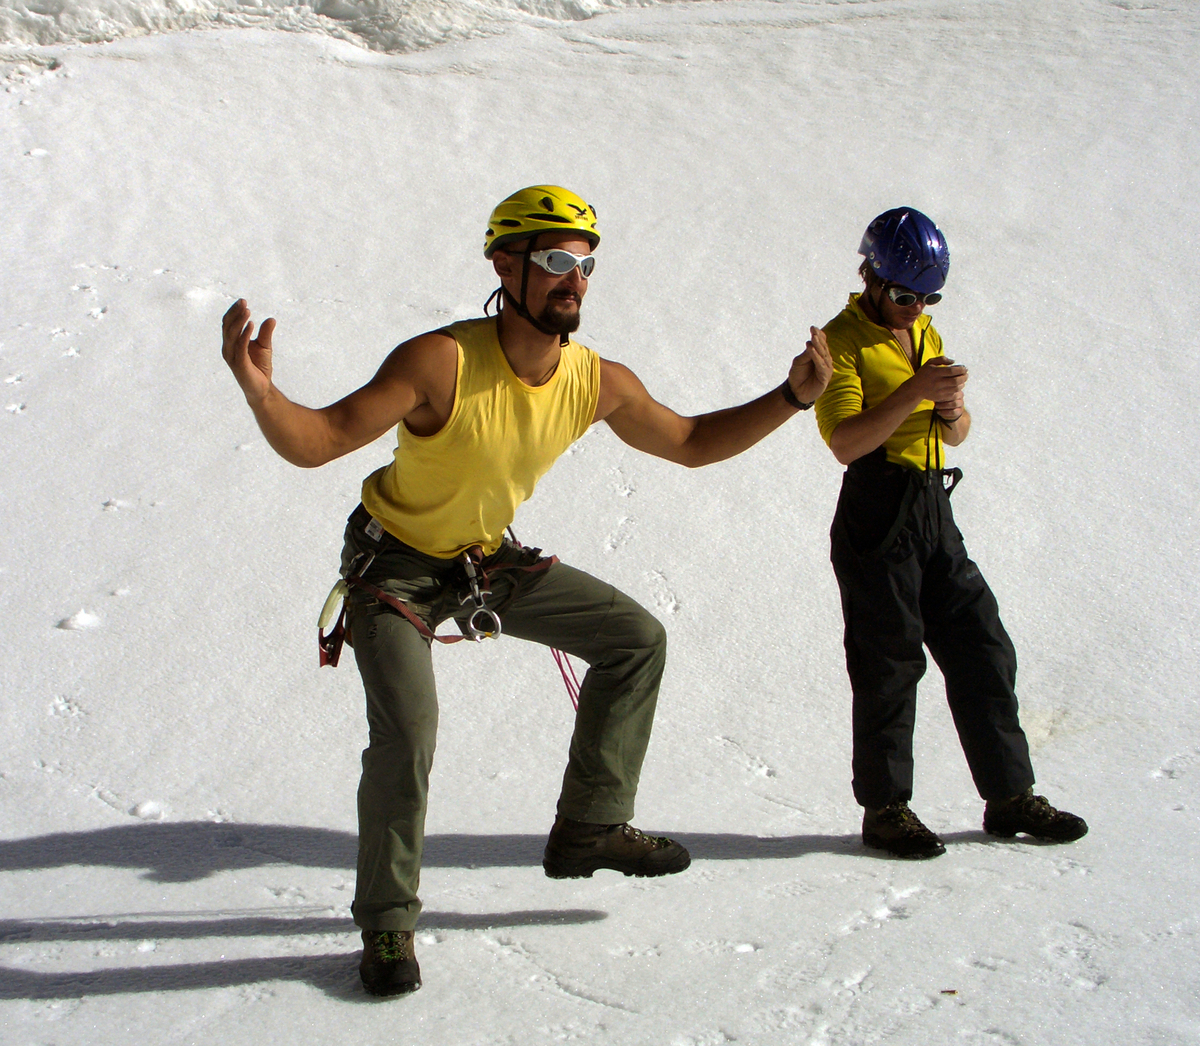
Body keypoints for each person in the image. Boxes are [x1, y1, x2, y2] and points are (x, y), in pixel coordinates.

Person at [221, 185, 833, 996]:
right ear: (504, 265)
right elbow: (324, 439)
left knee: (636, 639)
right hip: (392, 569)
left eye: (584, 265)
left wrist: (791, 398)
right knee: (409, 732)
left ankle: (589, 827)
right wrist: (261, 392)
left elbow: (689, 442)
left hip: (482, 562)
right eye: (552, 262)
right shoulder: (441, 361)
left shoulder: (595, 380)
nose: (571, 281)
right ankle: (389, 926)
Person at [814, 206, 1087, 860]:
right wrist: (914, 392)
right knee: (889, 660)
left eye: (929, 296)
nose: (916, 308)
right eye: (905, 295)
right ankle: (886, 809)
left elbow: (954, 432)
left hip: (934, 503)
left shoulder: (924, 334)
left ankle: (1011, 795)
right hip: (878, 507)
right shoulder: (840, 340)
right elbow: (845, 443)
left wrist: (952, 409)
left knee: (982, 644)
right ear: (872, 277)